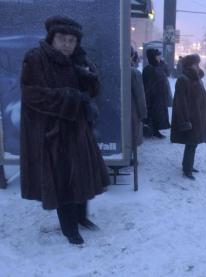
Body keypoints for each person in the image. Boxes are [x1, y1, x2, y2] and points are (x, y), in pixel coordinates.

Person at [20, 16, 110, 245]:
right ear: (52, 38)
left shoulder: (75, 60)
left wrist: (88, 75)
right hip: (53, 134)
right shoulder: (36, 58)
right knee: (63, 184)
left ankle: (81, 218)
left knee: (83, 178)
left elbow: (90, 92)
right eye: (62, 39)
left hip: (79, 130)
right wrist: (70, 99)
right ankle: (70, 230)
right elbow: (31, 94)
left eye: (72, 41)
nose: (68, 45)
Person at [171, 54, 206, 180]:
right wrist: (185, 120)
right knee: (191, 143)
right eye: (195, 64)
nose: (197, 66)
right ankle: (187, 169)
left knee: (193, 144)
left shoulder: (196, 78)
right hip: (191, 118)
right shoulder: (183, 79)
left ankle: (187, 165)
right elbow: (180, 102)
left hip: (198, 117)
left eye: (198, 64)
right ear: (190, 65)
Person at [142, 48, 171, 139]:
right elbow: (147, 85)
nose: (160, 57)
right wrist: (149, 97)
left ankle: (155, 130)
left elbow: (166, 74)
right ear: (153, 57)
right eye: (158, 56)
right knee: (153, 114)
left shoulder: (158, 67)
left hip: (160, 95)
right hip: (154, 97)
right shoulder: (149, 69)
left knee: (159, 114)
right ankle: (153, 131)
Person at [131, 47, 147, 146]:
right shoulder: (134, 73)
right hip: (132, 111)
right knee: (132, 137)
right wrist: (143, 114)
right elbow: (140, 97)